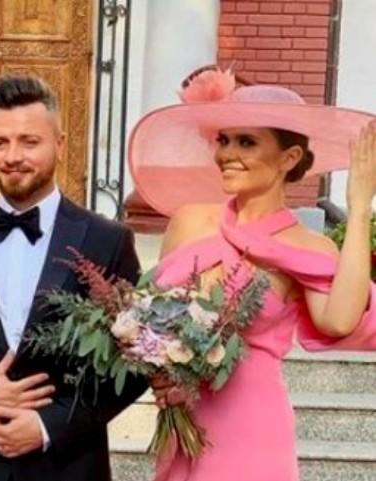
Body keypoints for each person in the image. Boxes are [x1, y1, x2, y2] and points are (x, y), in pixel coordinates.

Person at [128, 67, 376, 480]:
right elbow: (150, 321)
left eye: (247, 142)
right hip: (186, 418)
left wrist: (360, 205)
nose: (227, 153)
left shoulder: (310, 246)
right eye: (224, 140)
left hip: (255, 425)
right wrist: (159, 369)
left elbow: (338, 320)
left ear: (289, 158)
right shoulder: (190, 222)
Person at [0, 74, 148, 481]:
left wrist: (48, 425)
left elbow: (136, 362)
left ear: (60, 144)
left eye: (29, 142)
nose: (12, 156)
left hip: (70, 467)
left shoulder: (107, 240)